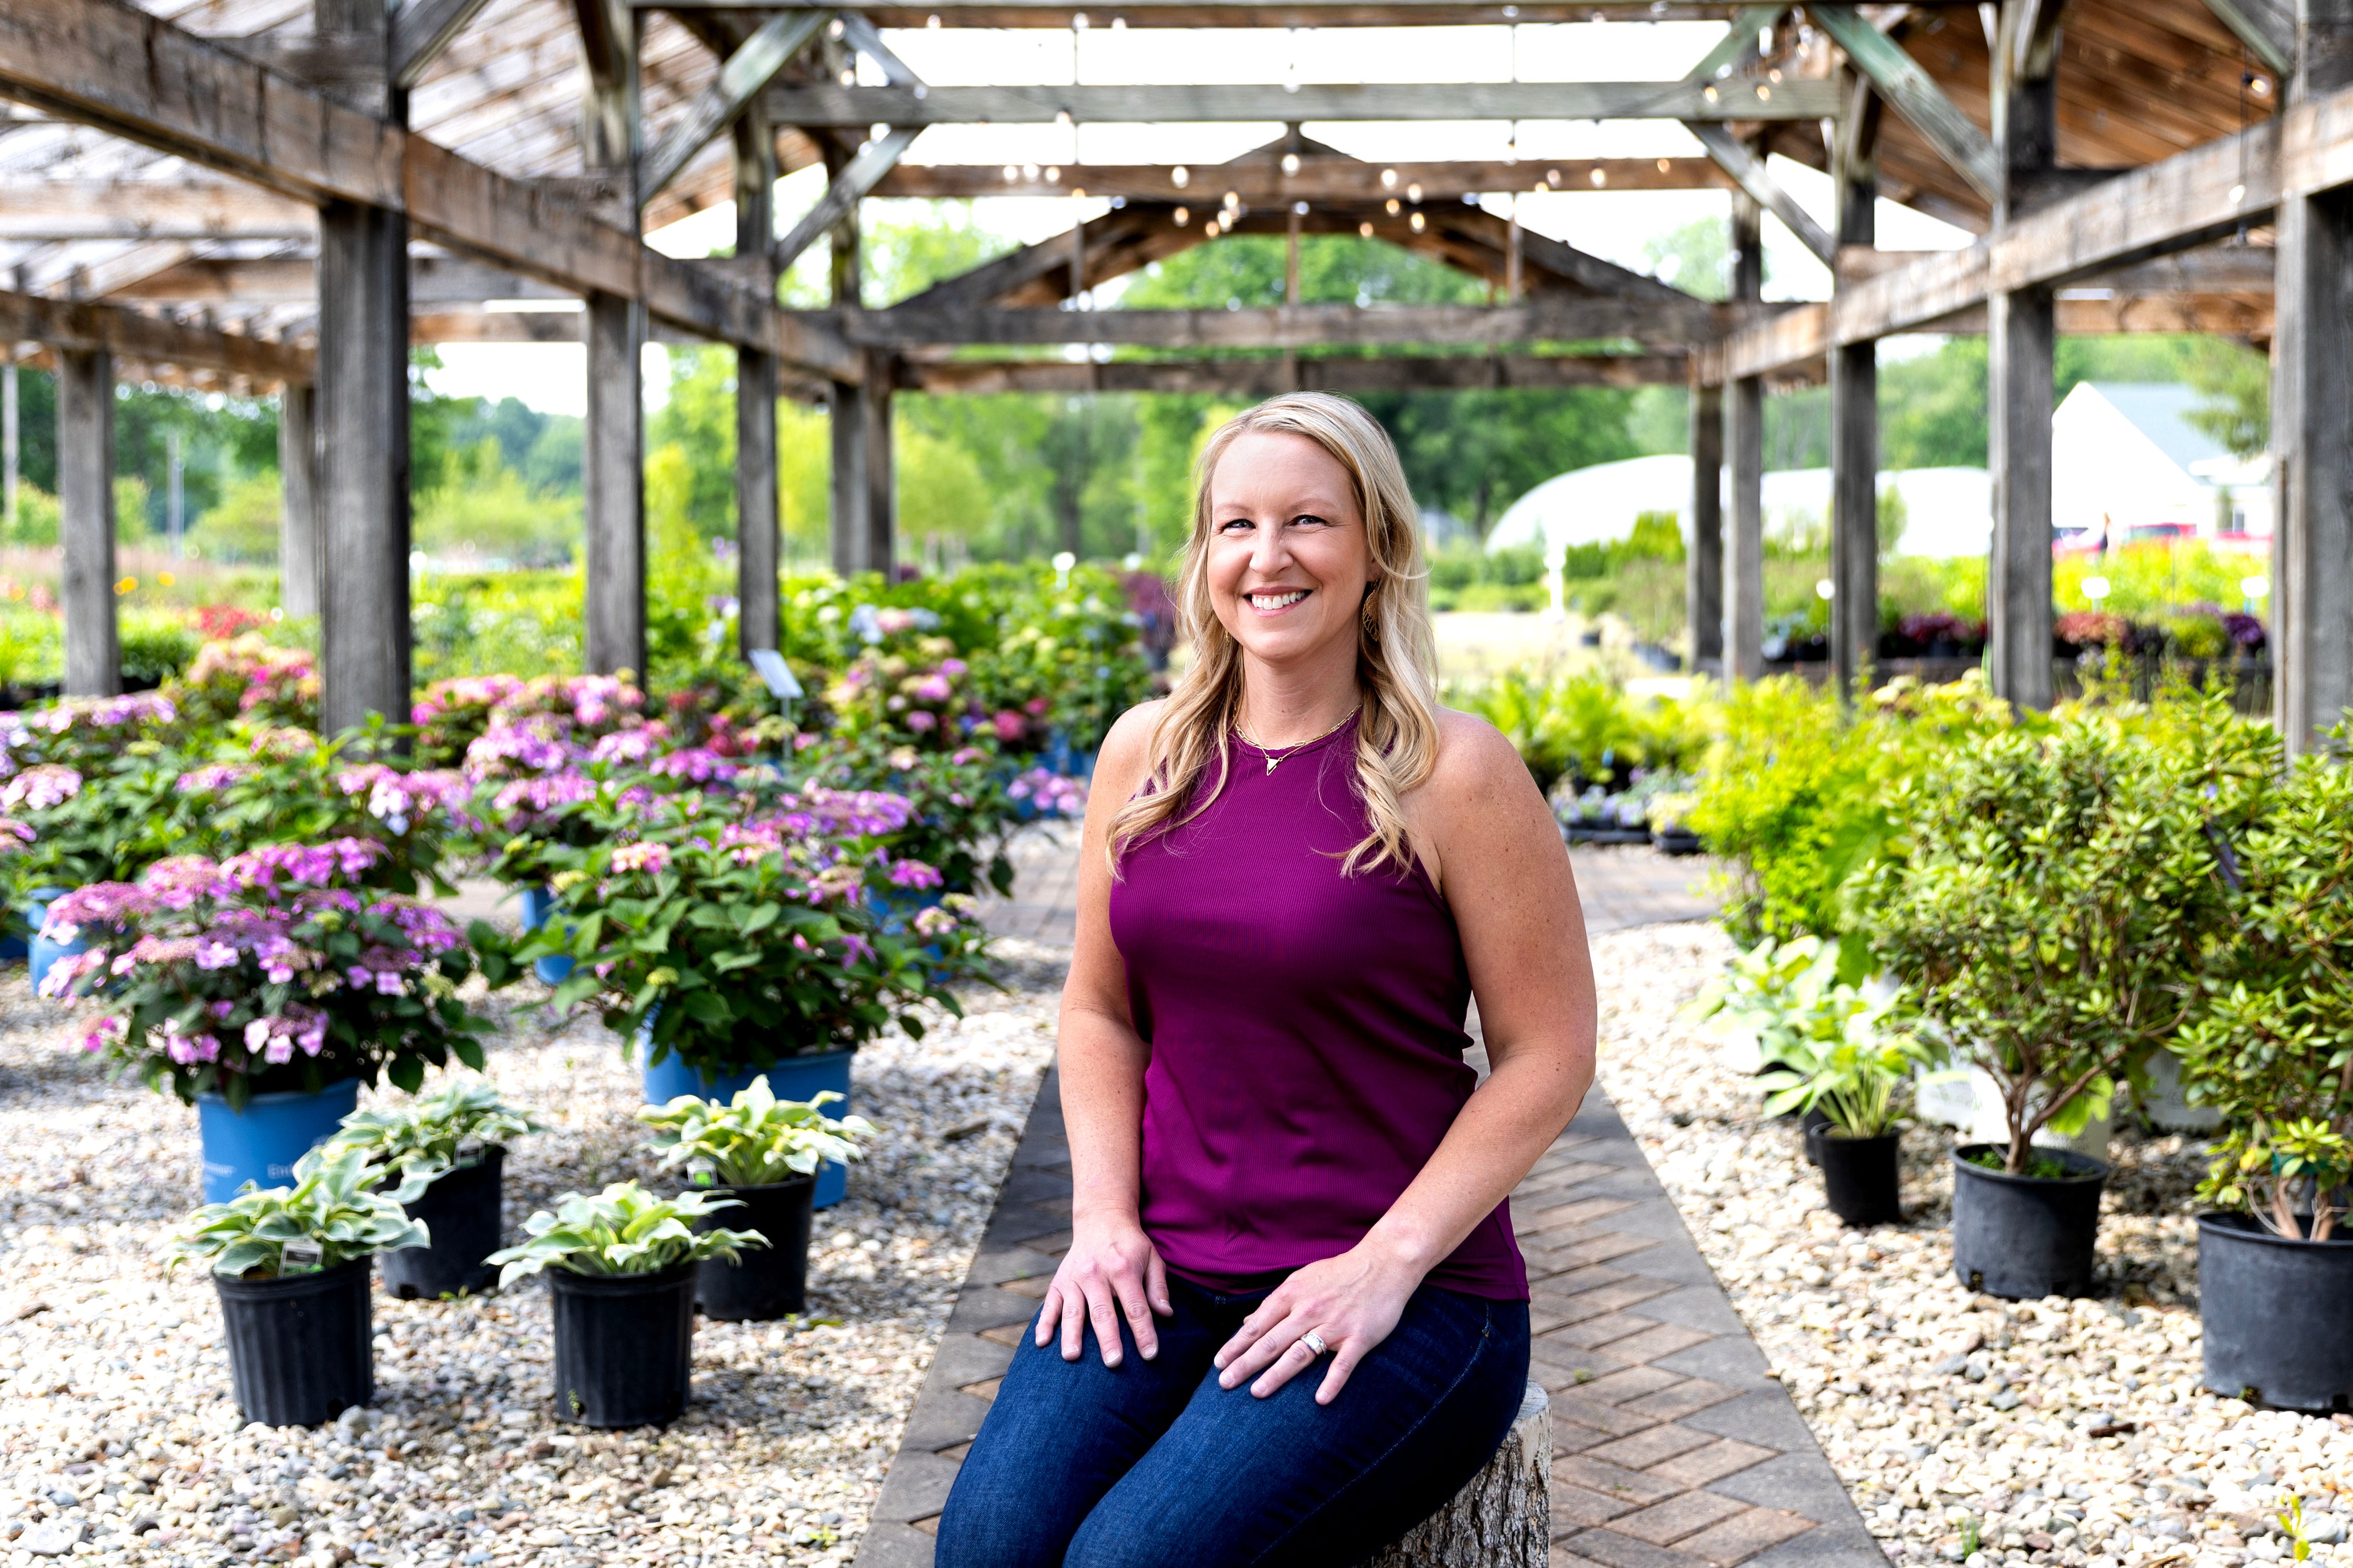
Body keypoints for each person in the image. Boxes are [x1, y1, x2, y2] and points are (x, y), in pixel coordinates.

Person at [935, 393, 1597, 1568]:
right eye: (1237, 525)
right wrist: (1102, 1223)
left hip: (1408, 1287)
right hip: (1167, 1264)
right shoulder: (1149, 754)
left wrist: (1384, 1265)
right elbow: (1097, 1010)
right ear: (1204, 557)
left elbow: (1549, 1055)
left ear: (1378, 546)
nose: (1269, 556)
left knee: (1129, 1564)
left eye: (1309, 520)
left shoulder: (1455, 773)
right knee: (988, 1548)